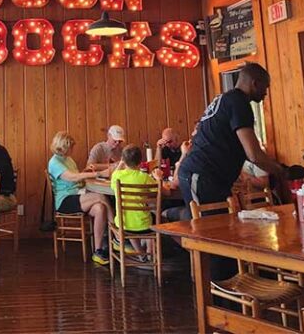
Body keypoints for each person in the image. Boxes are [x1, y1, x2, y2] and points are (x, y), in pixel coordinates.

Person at [177, 63, 284, 279]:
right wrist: (283, 172)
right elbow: (254, 154)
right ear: (255, 83)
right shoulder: (238, 102)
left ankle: (229, 291)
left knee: (222, 234)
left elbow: (242, 150)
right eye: (265, 87)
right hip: (201, 175)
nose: (266, 93)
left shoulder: (225, 99)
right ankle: (215, 296)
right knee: (211, 236)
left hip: (206, 175)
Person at [48, 131, 112, 265]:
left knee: (100, 208)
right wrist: (98, 173)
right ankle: (117, 233)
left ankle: (98, 251)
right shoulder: (54, 162)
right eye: (71, 147)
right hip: (65, 200)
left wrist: (86, 172)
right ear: (64, 147)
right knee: (101, 196)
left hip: (77, 194)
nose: (72, 149)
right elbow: (72, 177)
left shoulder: (68, 159)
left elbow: (77, 177)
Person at [110, 145, 157, 259]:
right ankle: (150, 252)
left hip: (123, 224)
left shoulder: (117, 176)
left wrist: (120, 165)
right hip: (144, 224)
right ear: (141, 162)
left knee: (128, 218)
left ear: (123, 160)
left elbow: (112, 181)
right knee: (154, 215)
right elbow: (158, 190)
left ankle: (140, 253)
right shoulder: (144, 177)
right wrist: (158, 178)